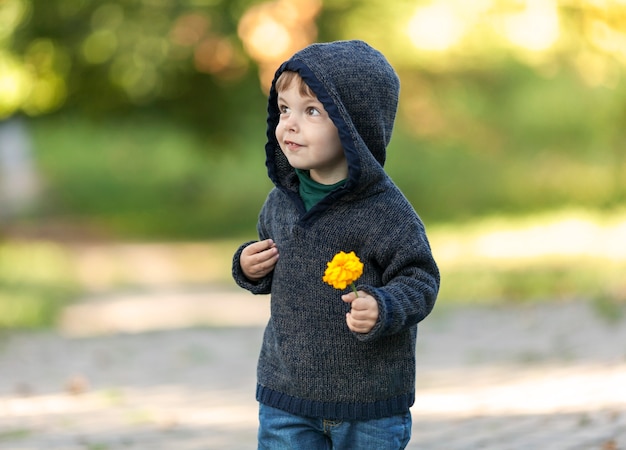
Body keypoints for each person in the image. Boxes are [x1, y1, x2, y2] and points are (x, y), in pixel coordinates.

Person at [232, 40, 440, 449]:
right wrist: (249, 267)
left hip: (370, 405)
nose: (289, 123)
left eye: (311, 111)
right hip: (286, 395)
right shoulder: (280, 201)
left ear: (352, 127)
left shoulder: (385, 211)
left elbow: (421, 278)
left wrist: (384, 305)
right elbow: (273, 266)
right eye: (284, 108)